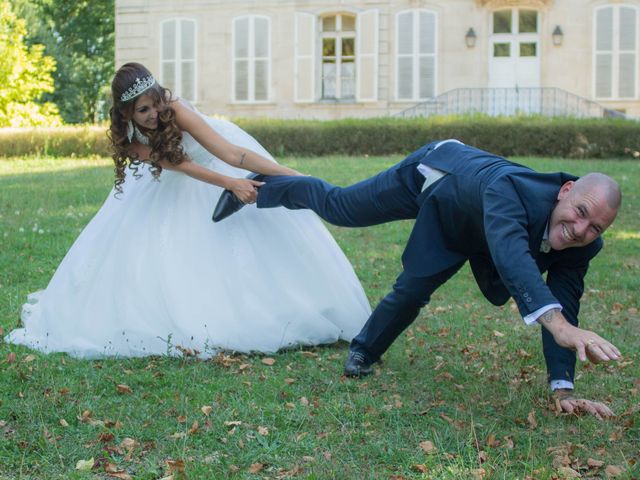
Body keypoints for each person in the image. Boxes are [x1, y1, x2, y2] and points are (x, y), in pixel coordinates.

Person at [213, 139, 622, 419]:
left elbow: (564, 303)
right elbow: (515, 258)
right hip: (436, 179)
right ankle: (257, 189)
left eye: (595, 228)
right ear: (565, 190)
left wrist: (563, 389)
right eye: (581, 211)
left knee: (416, 289)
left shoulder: (582, 244)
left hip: (477, 227)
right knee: (344, 210)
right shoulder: (510, 190)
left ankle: (364, 349)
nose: (581, 230)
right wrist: (557, 324)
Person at [5, 62, 371, 358]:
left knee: (258, 232)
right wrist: (229, 184)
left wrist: (291, 174)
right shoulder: (131, 142)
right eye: (142, 111)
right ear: (126, 114)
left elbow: (232, 155)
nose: (152, 116)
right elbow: (178, 164)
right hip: (181, 176)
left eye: (154, 106)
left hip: (217, 157)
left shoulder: (176, 109)